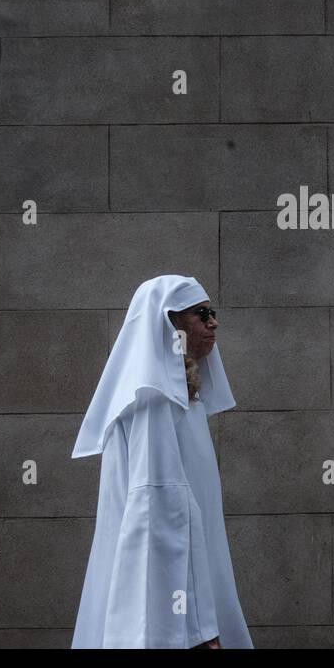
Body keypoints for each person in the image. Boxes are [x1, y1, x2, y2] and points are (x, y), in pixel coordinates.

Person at [71, 274, 252, 648]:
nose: (213, 321)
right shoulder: (154, 403)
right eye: (201, 314)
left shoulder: (180, 401)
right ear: (171, 325)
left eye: (212, 312)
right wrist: (199, 632)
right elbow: (161, 521)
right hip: (172, 623)